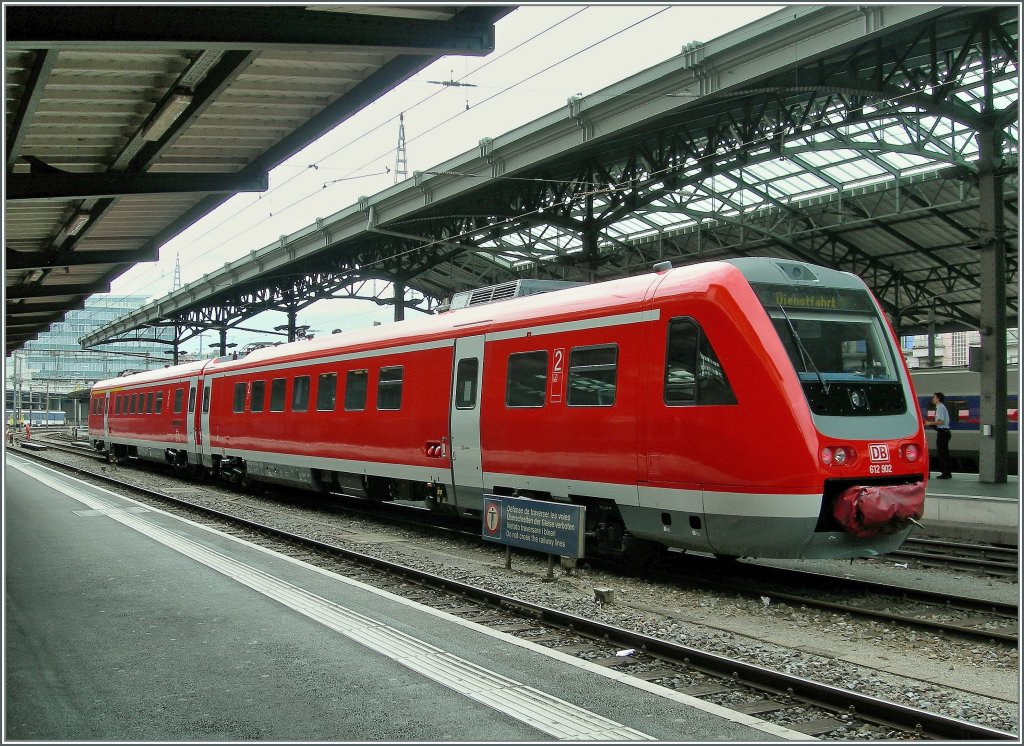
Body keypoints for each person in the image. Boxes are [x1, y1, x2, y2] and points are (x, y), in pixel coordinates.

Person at [927, 392, 952, 479]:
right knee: (944, 453)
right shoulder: (940, 407)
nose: (933, 399)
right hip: (944, 432)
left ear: (938, 399)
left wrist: (930, 423)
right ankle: (946, 472)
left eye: (934, 397)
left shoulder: (940, 408)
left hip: (943, 433)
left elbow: (941, 422)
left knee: (942, 453)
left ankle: (946, 473)